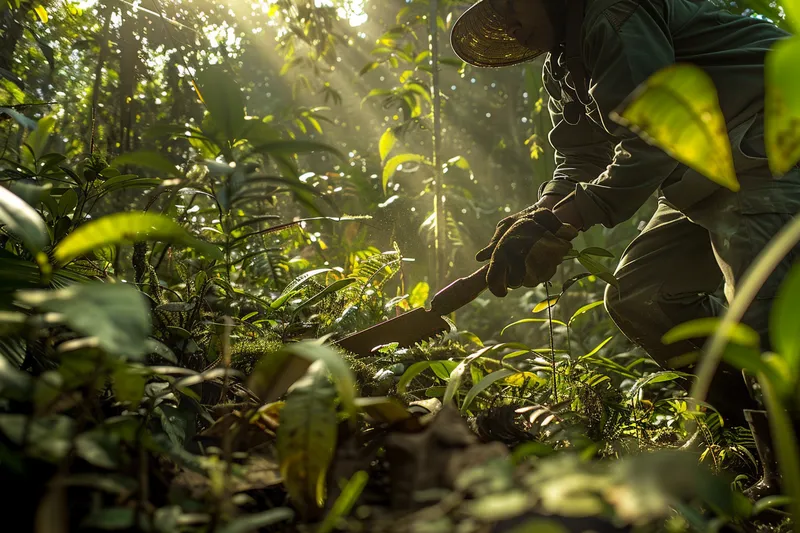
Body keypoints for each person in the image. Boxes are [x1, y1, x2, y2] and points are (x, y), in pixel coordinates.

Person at [450, 0, 799, 500]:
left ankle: (789, 476)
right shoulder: (563, 66)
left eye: (510, 4)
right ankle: (746, 435)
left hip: (771, 145)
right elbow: (579, 156)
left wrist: (564, 218)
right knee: (642, 295)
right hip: (703, 173)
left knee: (762, 313)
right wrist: (539, 215)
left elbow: (652, 143)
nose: (506, 21)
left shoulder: (612, 15)